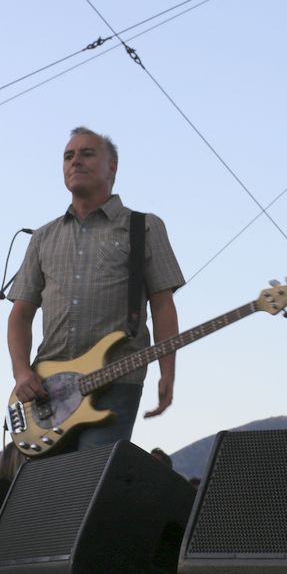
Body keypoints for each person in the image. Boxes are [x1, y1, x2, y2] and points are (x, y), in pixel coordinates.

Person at [7, 127, 185, 451]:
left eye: (87, 153)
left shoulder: (144, 226)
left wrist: (168, 372)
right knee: (45, 482)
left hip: (117, 380)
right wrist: (21, 372)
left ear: (112, 167)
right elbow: (20, 315)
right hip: (47, 389)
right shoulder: (42, 237)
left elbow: (162, 306)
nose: (75, 161)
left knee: (89, 476)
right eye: (68, 156)